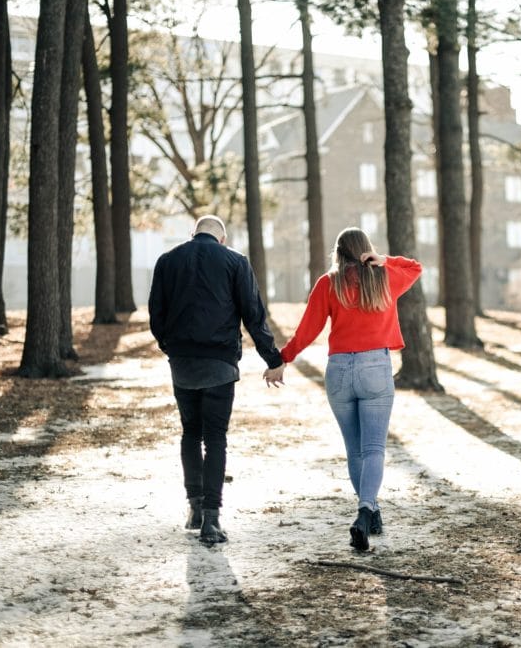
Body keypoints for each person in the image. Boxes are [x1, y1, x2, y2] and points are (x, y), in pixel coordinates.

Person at [271, 227, 422, 551]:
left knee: (354, 450)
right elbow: (415, 267)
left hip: (339, 370)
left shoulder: (329, 283)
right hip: (374, 370)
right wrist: (385, 260)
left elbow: (307, 328)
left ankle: (371, 512)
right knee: (374, 450)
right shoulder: (384, 277)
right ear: (366, 250)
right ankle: (366, 510)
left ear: (338, 252)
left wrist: (283, 359)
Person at [148, 215, 285, 544]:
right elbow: (253, 314)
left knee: (190, 433)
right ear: (221, 239)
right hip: (220, 363)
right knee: (216, 439)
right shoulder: (235, 261)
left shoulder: (168, 260)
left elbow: (156, 314)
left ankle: (194, 508)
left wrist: (171, 347)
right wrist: (273, 359)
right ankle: (211, 520)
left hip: (183, 363)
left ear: (192, 234)